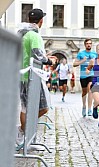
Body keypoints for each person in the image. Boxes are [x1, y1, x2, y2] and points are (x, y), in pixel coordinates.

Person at [17, 8, 54, 145]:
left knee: (25, 107)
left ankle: (25, 137)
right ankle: (22, 132)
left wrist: (46, 56)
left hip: (22, 75)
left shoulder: (23, 33)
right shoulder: (34, 35)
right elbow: (38, 54)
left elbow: (31, 53)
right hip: (30, 76)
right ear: (41, 21)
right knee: (42, 108)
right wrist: (50, 61)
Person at [73, 39, 97, 117]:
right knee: (84, 92)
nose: (88, 45)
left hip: (91, 74)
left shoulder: (94, 54)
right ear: (85, 45)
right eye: (87, 43)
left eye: (90, 43)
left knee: (90, 90)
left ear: (91, 45)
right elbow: (74, 64)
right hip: (83, 75)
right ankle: (84, 106)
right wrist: (82, 61)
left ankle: (90, 109)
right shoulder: (81, 54)